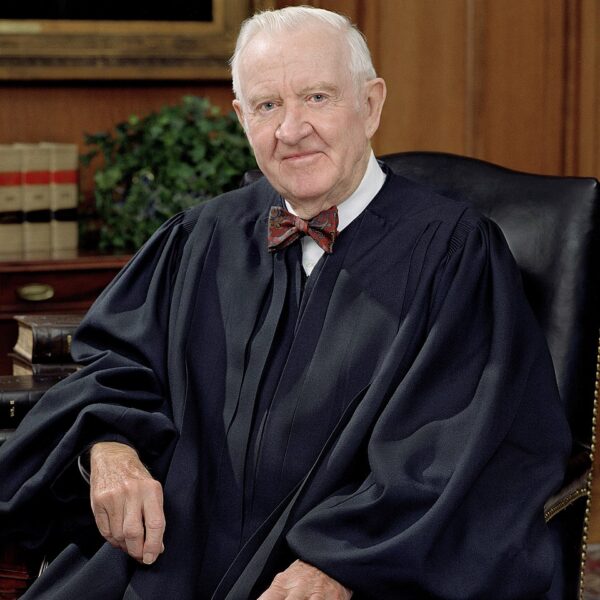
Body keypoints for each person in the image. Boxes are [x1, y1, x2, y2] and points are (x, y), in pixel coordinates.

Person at [0, 6, 570, 599]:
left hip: (344, 565)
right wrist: (112, 449)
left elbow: (454, 449)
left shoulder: (454, 254)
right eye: (267, 106)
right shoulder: (200, 238)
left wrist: (342, 563)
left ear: (371, 104)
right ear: (242, 120)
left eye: (317, 97)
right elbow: (114, 367)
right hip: (169, 551)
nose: (291, 129)